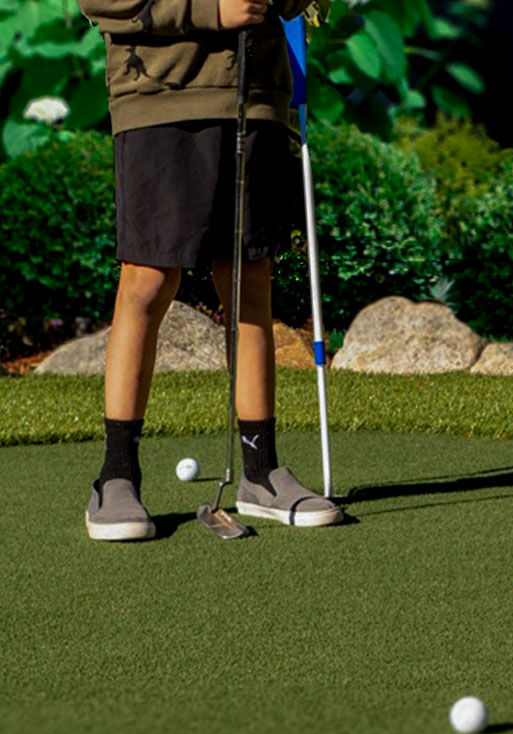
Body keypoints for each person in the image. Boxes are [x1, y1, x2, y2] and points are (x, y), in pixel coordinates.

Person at [77, 0, 340, 541]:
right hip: (158, 94)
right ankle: (116, 475)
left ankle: (261, 471)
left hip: (257, 94)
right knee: (147, 278)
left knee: (249, 279)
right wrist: (211, 11)